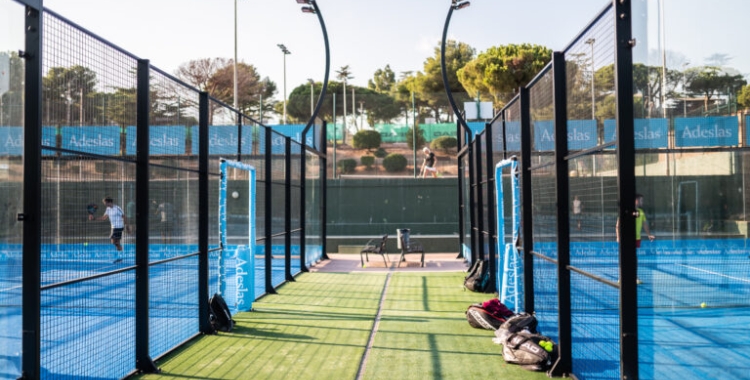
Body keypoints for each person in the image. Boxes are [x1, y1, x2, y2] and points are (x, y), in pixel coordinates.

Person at [616, 193, 654, 284]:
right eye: (641, 200)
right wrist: (618, 237)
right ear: (635, 200)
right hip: (626, 238)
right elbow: (618, 225)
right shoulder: (625, 211)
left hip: (637, 238)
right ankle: (622, 277)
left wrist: (649, 234)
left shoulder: (641, 212)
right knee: (625, 257)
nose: (642, 202)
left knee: (634, 258)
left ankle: (635, 277)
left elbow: (644, 224)